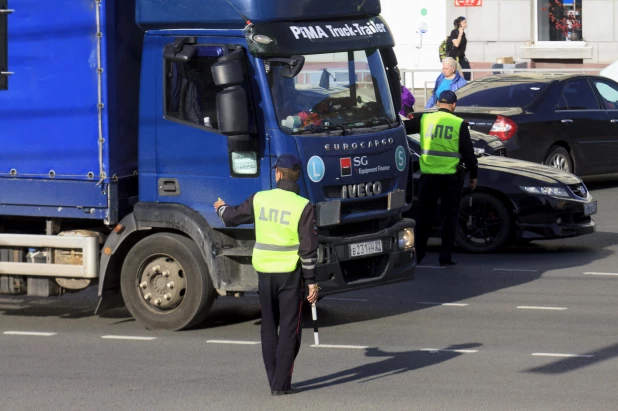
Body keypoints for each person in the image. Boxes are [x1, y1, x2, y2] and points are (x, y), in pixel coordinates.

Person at [213, 154, 319, 396]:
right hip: (290, 275)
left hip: (264, 273)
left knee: (269, 327)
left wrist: (220, 208)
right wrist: (312, 282)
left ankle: (275, 381)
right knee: (290, 329)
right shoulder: (303, 206)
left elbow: (231, 217)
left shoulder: (260, 199)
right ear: (297, 175)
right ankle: (281, 384)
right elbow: (309, 248)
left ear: (278, 174)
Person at [404, 90, 478, 266]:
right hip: (451, 179)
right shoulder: (459, 124)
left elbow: (404, 129)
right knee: (449, 218)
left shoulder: (425, 119)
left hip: (428, 177)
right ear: (454, 105)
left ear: (437, 103)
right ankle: (445, 257)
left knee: (424, 218)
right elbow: (469, 154)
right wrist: (473, 175)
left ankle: (419, 255)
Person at [448, 16, 471, 81]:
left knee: (467, 72)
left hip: (461, 56)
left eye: (466, 22)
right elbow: (456, 44)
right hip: (454, 57)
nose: (466, 24)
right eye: (464, 23)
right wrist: (460, 34)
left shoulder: (463, 33)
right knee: (453, 74)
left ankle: (467, 86)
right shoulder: (454, 32)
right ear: (459, 24)